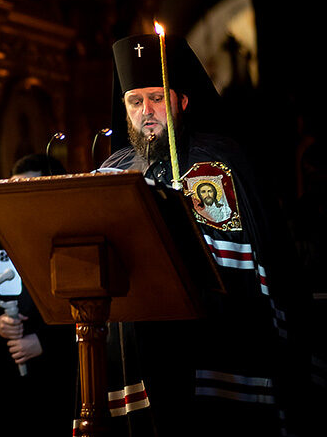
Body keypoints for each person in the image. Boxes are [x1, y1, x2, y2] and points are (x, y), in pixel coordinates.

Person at [98, 33, 313, 436]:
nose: (147, 111)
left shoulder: (225, 160)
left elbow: (267, 255)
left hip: (220, 344)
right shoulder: (110, 173)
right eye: (135, 101)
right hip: (137, 350)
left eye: (158, 98)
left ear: (182, 100)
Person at [0, 153, 77, 436]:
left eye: (29, 191)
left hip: (62, 390)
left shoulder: (76, 247)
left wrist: (47, 343)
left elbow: (101, 319)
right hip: (4, 395)